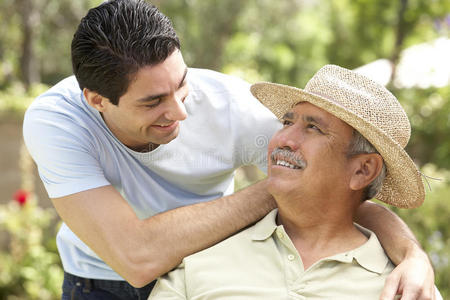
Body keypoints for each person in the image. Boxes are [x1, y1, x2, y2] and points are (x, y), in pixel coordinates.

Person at [22, 0, 435, 299]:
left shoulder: (233, 109)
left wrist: (413, 257)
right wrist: (283, 185)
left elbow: (340, 190)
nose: (180, 111)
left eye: (181, 83)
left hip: (205, 269)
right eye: (153, 102)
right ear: (96, 100)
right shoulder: (58, 123)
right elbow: (136, 258)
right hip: (100, 283)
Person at [149, 65, 441, 300]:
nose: (283, 140)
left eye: (313, 128)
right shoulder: (201, 262)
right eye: (288, 123)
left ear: (363, 170)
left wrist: (413, 256)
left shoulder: (408, 288)